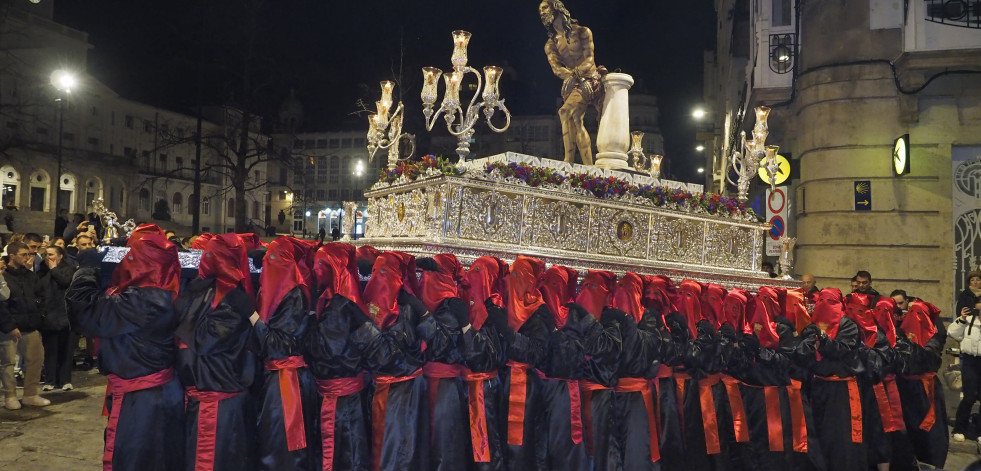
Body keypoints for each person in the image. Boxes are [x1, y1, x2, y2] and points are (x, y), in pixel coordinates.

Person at [66, 235, 185, 471]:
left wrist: (87, 270)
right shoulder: (163, 292)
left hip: (142, 397)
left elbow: (84, 313)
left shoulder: (145, 300)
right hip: (156, 391)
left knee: (135, 459)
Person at [174, 233, 258, 471]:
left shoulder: (191, 292)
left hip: (204, 394)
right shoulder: (231, 298)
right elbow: (204, 340)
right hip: (218, 396)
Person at [301, 243, 372, 471]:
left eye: (320, 265)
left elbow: (322, 351)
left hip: (340, 401)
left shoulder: (340, 309)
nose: (315, 270)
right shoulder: (335, 304)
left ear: (334, 270)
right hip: (340, 397)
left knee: (342, 454)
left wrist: (310, 318)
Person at [253, 236, 320, 471]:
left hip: (287, 382)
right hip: (278, 380)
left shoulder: (294, 296)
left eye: (272, 258)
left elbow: (276, 344)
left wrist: (251, 317)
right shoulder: (279, 294)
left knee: (284, 450)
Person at [797, 288, 866, 471]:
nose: (824, 305)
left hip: (840, 388)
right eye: (821, 300)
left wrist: (823, 339)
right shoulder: (813, 323)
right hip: (818, 385)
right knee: (818, 433)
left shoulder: (848, 325)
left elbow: (843, 349)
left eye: (830, 301)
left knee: (840, 437)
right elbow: (803, 354)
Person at [540, 0, 605, 165]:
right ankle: (587, 165)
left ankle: (568, 160)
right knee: (574, 117)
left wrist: (578, 76)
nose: (541, 12)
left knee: (566, 112)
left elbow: (590, 60)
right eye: (540, 10)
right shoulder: (551, 44)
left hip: (592, 79)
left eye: (544, 8)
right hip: (575, 83)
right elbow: (556, 69)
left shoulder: (583, 32)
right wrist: (574, 78)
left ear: (557, 8)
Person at [895, 299, 948, 468]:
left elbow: (929, 360)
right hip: (905, 387)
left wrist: (910, 345)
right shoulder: (900, 334)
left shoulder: (933, 336)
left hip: (926, 390)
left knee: (931, 431)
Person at [0, 241, 49, 410]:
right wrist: (10, 325)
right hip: (10, 327)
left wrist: (39, 314)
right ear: (12, 256)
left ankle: (30, 394)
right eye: (24, 254)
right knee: (8, 363)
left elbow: (40, 296)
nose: (28, 257)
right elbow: (2, 303)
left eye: (29, 254)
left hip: (31, 324)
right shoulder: (4, 276)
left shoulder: (30, 276)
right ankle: (10, 395)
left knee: (36, 359)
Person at [38, 245, 76, 391]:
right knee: (51, 350)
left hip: (65, 315)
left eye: (52, 254)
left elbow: (65, 282)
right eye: (46, 254)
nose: (48, 257)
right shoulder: (42, 272)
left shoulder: (69, 269)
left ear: (60, 256)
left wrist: (54, 269)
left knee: (66, 350)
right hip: (49, 315)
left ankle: (65, 379)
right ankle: (50, 380)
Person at [949, 294, 981, 442]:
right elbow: (952, 333)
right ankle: (959, 428)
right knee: (969, 396)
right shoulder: (968, 320)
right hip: (970, 361)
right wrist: (961, 319)